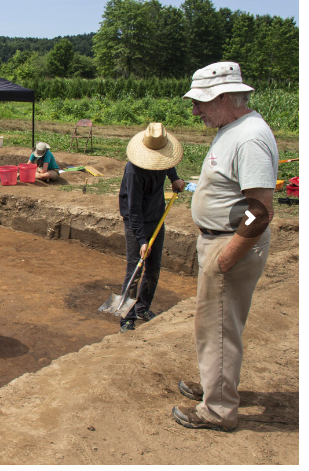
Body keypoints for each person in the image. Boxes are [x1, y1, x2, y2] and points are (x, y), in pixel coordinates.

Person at [171, 61, 278, 432]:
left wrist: (228, 256)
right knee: (215, 324)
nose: (195, 110)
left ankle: (217, 409)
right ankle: (215, 386)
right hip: (219, 240)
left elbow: (261, 211)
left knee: (217, 327)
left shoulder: (249, 138)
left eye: (199, 102)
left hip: (230, 244)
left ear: (225, 97)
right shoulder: (232, 129)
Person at [118, 123, 185, 333]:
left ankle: (142, 308)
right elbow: (133, 210)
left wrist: (174, 178)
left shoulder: (163, 161)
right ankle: (126, 317)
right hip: (136, 222)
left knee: (154, 268)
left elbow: (168, 165)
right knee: (135, 268)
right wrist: (141, 240)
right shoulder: (133, 172)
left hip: (157, 217)